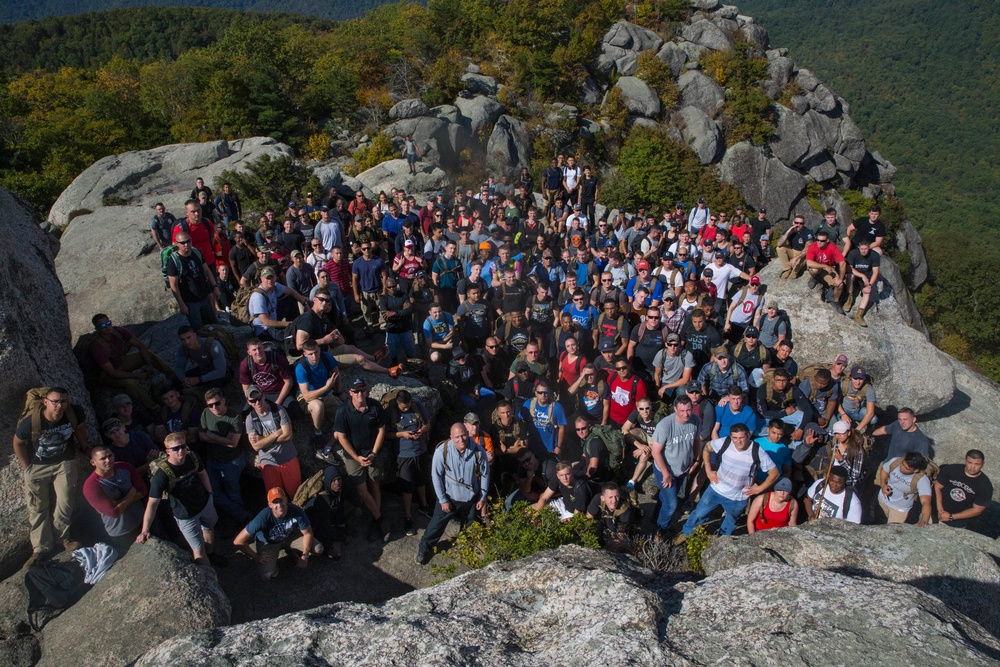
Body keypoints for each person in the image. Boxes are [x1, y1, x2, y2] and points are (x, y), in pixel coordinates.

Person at [13, 387, 89, 568]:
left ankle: (63, 538)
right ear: (46, 402)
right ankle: (40, 548)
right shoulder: (32, 421)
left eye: (63, 401)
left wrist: (85, 446)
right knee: (38, 506)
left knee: (65, 500)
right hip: (38, 466)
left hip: (65, 462)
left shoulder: (73, 413)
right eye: (55, 401)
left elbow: (80, 428)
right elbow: (18, 443)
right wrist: (27, 468)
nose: (59, 406)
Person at [676, 423, 778, 542]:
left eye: (741, 438)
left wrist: (760, 489)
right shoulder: (725, 442)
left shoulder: (757, 451)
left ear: (748, 436)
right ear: (730, 437)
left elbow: (774, 473)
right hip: (716, 489)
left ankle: (720, 542)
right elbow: (707, 448)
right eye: (735, 438)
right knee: (699, 513)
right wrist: (708, 470)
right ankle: (687, 533)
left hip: (738, 497)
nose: (738, 441)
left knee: (730, 521)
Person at [136, 432, 224, 567]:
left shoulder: (192, 457)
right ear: (167, 451)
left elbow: (202, 473)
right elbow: (153, 503)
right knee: (198, 549)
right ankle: (209, 579)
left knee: (209, 528)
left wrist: (210, 493)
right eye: (175, 449)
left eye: (183, 446)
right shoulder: (162, 475)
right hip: (185, 515)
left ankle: (211, 554)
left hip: (204, 503)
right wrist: (145, 529)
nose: (180, 451)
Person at [415, 423, 491, 565]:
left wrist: (483, 497)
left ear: (467, 434)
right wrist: (443, 499)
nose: (461, 439)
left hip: (471, 498)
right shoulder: (442, 451)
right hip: (449, 497)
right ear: (451, 437)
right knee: (435, 526)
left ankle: (466, 546)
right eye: (457, 437)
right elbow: (436, 476)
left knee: (470, 525)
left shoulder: (478, 451)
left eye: (463, 435)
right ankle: (424, 548)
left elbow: (485, 475)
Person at [331, 378, 390, 542]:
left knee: (374, 483)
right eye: (356, 391)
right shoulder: (343, 411)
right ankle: (379, 519)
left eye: (362, 390)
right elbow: (341, 437)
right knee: (361, 490)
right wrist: (357, 457)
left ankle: (374, 519)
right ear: (350, 392)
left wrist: (374, 453)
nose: (360, 394)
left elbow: (381, 430)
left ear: (367, 390)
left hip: (372, 452)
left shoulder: (375, 406)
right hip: (353, 455)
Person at [88, 314, 175, 411]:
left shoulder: (118, 331)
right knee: (130, 383)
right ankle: (154, 407)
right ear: (97, 329)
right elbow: (112, 372)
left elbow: (139, 344)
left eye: (108, 323)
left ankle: (174, 378)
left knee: (149, 354)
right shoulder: (97, 347)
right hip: (107, 375)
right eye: (103, 326)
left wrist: (148, 363)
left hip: (121, 362)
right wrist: (137, 375)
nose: (108, 327)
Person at [233, 487, 321, 580]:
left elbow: (308, 533)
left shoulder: (296, 511)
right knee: (266, 575)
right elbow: (238, 541)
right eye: (275, 502)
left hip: (289, 536)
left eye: (281, 500)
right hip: (269, 543)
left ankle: (295, 552)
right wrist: (255, 556)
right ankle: (275, 566)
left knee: (318, 549)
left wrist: (305, 556)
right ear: (270, 505)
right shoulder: (263, 517)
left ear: (286, 500)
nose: (279, 504)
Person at [650, 395, 701, 539]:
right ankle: (661, 531)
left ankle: (655, 518)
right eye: (682, 411)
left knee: (666, 498)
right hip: (665, 469)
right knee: (672, 505)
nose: (686, 414)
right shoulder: (665, 425)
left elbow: (696, 440)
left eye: (689, 410)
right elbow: (656, 451)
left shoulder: (695, 421)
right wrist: (666, 473)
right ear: (675, 409)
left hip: (682, 469)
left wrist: (696, 459)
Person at [83, 444, 147, 553]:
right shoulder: (91, 486)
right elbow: (113, 512)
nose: (108, 460)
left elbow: (143, 491)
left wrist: (118, 503)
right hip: (121, 532)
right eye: (103, 458)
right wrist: (132, 492)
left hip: (143, 521)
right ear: (93, 462)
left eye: (110, 456)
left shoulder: (125, 467)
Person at [199, 388, 246, 530]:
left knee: (233, 492)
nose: (214, 407)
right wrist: (222, 439)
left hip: (232, 461)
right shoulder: (206, 413)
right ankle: (241, 515)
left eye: (217, 403)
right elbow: (201, 436)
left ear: (223, 400)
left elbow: (233, 443)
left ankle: (238, 522)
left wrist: (212, 436)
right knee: (214, 493)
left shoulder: (234, 416)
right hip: (213, 460)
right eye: (210, 405)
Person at [387, 389, 432, 535]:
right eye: (403, 407)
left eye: (408, 406)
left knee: (422, 480)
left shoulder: (417, 405)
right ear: (398, 403)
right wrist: (402, 434)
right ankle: (408, 516)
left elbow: (427, 423)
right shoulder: (390, 412)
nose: (406, 409)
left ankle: (423, 505)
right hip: (404, 454)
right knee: (407, 486)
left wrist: (422, 431)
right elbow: (385, 434)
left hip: (420, 450)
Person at [244, 385, 300, 499]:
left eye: (259, 398)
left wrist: (263, 440)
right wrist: (276, 433)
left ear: (263, 395)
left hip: (288, 459)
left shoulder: (278, 410)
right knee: (275, 499)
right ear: (249, 402)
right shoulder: (250, 419)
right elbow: (255, 446)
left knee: (296, 495)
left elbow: (288, 435)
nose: (257, 402)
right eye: (253, 401)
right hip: (268, 464)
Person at [167, 231, 221, 331]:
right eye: (182, 242)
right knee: (198, 328)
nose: (186, 244)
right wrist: (182, 304)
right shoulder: (174, 261)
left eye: (188, 241)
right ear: (176, 244)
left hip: (204, 296)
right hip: (190, 301)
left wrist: (215, 287)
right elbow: (173, 285)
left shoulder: (196, 252)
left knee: (213, 324)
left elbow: (207, 270)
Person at [296, 339, 343, 447]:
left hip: (327, 395)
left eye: (316, 352)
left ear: (319, 349)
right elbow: (306, 396)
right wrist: (327, 387)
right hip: (308, 398)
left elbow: (337, 374)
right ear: (304, 354)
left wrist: (339, 392)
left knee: (344, 415)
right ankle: (318, 433)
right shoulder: (301, 367)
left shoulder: (326, 357)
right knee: (318, 406)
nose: (314, 356)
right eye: (310, 354)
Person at [248, 266, 309, 342]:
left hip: (274, 316)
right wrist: (288, 324)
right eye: (267, 278)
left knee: (290, 298)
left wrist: (305, 304)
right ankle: (293, 330)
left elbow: (292, 291)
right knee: (291, 337)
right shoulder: (258, 297)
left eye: (272, 277)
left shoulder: (275, 286)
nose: (270, 280)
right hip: (265, 329)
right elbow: (266, 322)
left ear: (276, 277)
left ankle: (296, 323)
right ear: (261, 279)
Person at [935, 450, 992, 528]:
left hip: (957, 523)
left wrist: (951, 517)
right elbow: (937, 487)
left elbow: (977, 510)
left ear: (982, 464)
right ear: (965, 460)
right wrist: (940, 510)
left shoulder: (985, 485)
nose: (972, 467)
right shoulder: (952, 469)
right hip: (935, 512)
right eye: (970, 462)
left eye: (977, 464)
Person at [877, 451, 932, 526]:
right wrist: (883, 484)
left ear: (916, 470)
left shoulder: (922, 480)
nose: (901, 468)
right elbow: (884, 470)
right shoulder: (895, 462)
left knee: (893, 532)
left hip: (899, 510)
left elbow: (926, 501)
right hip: (882, 500)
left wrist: (924, 520)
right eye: (902, 464)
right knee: (877, 521)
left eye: (906, 468)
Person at [173, 325, 229, 391]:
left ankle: (220, 400)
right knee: (176, 380)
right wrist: (184, 379)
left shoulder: (212, 345)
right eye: (183, 339)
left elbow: (221, 371)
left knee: (215, 388)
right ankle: (181, 400)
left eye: (189, 337)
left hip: (221, 372)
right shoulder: (183, 349)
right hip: (203, 370)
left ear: (195, 335)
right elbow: (179, 367)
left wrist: (199, 379)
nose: (187, 342)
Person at [804, 230, 848, 312]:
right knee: (814, 270)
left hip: (829, 269)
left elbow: (842, 263)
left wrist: (840, 278)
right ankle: (815, 278)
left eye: (822, 241)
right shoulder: (813, 246)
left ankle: (835, 301)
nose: (819, 242)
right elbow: (809, 262)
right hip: (818, 266)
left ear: (827, 241)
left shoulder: (832, 248)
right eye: (818, 240)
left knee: (840, 285)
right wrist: (824, 265)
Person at [586, 482, 638, 549]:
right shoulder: (597, 499)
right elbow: (588, 517)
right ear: (602, 498)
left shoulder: (624, 510)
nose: (614, 500)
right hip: (606, 524)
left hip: (622, 530)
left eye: (617, 496)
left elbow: (622, 535)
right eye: (610, 497)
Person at [844, 238, 881, 326]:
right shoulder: (853, 253)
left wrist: (870, 285)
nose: (864, 251)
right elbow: (849, 269)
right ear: (859, 248)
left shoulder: (874, 255)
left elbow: (875, 271)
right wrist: (862, 276)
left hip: (867, 276)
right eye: (862, 249)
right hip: (856, 274)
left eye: (866, 249)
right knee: (849, 276)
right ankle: (849, 299)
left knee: (867, 291)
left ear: (869, 248)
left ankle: (859, 315)